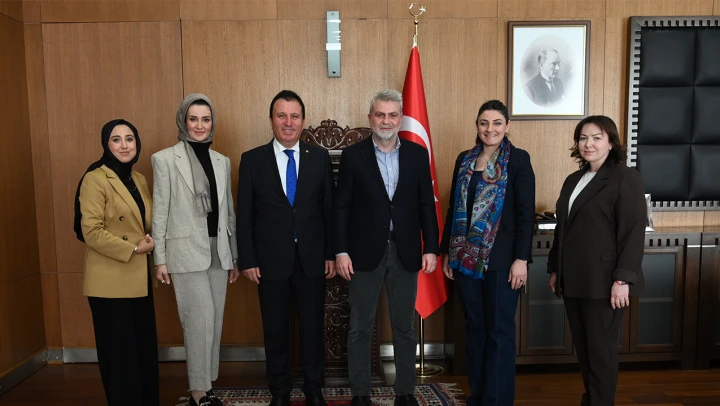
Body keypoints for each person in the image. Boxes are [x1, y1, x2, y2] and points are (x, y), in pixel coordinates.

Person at [334, 89, 439, 406]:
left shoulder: (417, 154)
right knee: (360, 326)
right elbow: (342, 207)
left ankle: (405, 393)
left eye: (392, 115)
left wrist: (431, 247)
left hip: (405, 251)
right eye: (380, 114)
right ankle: (361, 394)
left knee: (404, 327)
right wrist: (341, 251)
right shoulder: (353, 156)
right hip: (363, 253)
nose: (386, 121)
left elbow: (426, 205)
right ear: (370, 118)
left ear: (401, 118)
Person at [236, 90, 335, 406]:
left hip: (312, 260)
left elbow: (329, 211)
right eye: (282, 115)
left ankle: (314, 390)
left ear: (302, 121)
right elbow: (244, 216)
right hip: (269, 262)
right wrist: (247, 259)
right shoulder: (252, 160)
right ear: (271, 120)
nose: (288, 122)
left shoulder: (319, 158)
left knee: (312, 330)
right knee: (275, 331)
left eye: (294, 116)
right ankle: (279, 393)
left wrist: (330, 254)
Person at [440, 100, 535, 406]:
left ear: (507, 126)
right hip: (466, 260)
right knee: (475, 330)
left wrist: (521, 259)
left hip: (503, 261)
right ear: (477, 126)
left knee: (499, 332)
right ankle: (478, 396)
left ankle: (497, 400)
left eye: (496, 123)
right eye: (484, 123)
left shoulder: (518, 160)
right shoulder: (464, 159)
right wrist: (448, 252)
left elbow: (526, 214)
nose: (489, 129)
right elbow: (453, 208)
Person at [547, 115, 646, 406]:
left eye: (596, 137)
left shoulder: (624, 177)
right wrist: (555, 269)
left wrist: (623, 279)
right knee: (586, 352)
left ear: (611, 142)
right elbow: (562, 228)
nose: (588, 144)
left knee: (601, 354)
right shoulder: (574, 179)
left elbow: (632, 232)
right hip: (573, 279)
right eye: (583, 138)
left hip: (605, 282)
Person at [152, 93, 239, 406]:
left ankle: (206, 385)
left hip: (219, 250)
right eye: (193, 119)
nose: (200, 125)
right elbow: (160, 211)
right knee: (198, 322)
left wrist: (234, 256)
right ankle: (199, 392)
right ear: (183, 121)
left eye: (205, 119)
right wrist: (160, 259)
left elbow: (228, 212)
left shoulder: (222, 161)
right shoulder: (164, 159)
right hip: (184, 251)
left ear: (212, 122)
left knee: (213, 322)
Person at [75, 118, 159, 405]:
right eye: (116, 139)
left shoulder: (139, 179)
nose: (124, 145)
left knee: (143, 351)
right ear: (106, 144)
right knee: (120, 358)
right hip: (110, 281)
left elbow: (144, 223)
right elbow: (91, 231)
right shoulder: (95, 178)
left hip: (139, 278)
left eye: (129, 139)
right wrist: (134, 247)